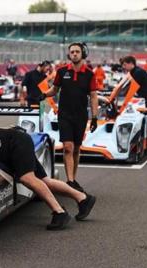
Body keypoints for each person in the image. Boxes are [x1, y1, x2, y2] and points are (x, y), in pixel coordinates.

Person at [0, 93, 96, 230]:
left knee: (27, 179)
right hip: (17, 143)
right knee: (45, 181)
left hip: (16, 144)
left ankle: (59, 212)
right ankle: (83, 198)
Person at [43, 42, 99, 193]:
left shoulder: (89, 74)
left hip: (81, 116)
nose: (74, 54)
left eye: (77, 52)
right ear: (69, 55)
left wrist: (94, 117)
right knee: (68, 147)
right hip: (64, 115)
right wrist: (43, 94)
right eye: (72, 52)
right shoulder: (61, 72)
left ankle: (73, 178)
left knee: (76, 148)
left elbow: (93, 96)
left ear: (83, 54)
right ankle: (70, 181)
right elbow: (54, 90)